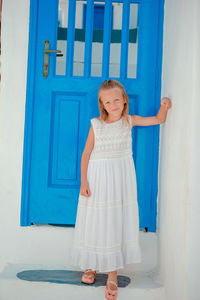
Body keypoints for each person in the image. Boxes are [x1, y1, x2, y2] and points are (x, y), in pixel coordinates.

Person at [70, 79, 172, 300]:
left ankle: (112, 272)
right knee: (96, 220)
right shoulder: (96, 124)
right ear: (102, 104)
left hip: (120, 180)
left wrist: (164, 106)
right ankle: (91, 264)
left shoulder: (129, 121)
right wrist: (84, 182)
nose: (113, 104)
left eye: (117, 99)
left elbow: (157, 120)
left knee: (114, 220)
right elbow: (86, 154)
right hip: (97, 179)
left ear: (124, 100)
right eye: (108, 101)